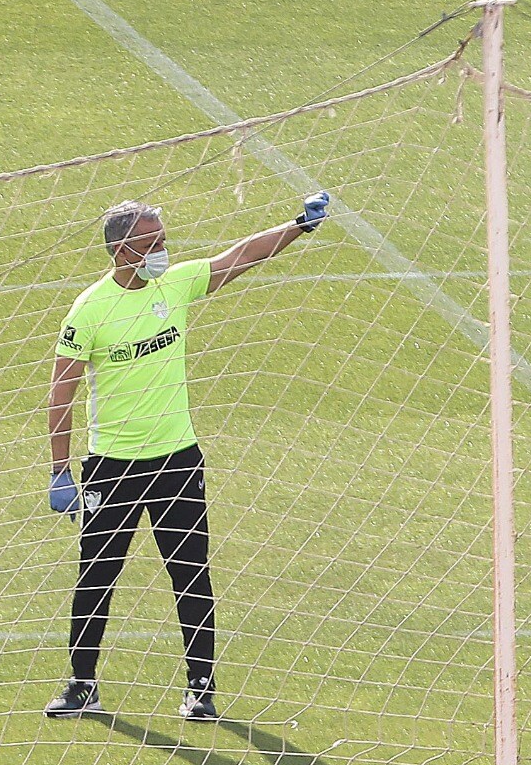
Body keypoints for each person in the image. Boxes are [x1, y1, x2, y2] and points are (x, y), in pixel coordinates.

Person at [43, 191, 331, 720]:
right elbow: (62, 392)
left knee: (190, 573)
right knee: (96, 576)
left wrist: (296, 226)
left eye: (163, 242)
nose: (162, 252)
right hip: (112, 465)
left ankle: (201, 687)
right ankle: (83, 684)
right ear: (121, 251)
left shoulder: (173, 285)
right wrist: (61, 471)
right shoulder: (89, 309)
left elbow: (239, 257)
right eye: (151, 244)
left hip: (177, 459)